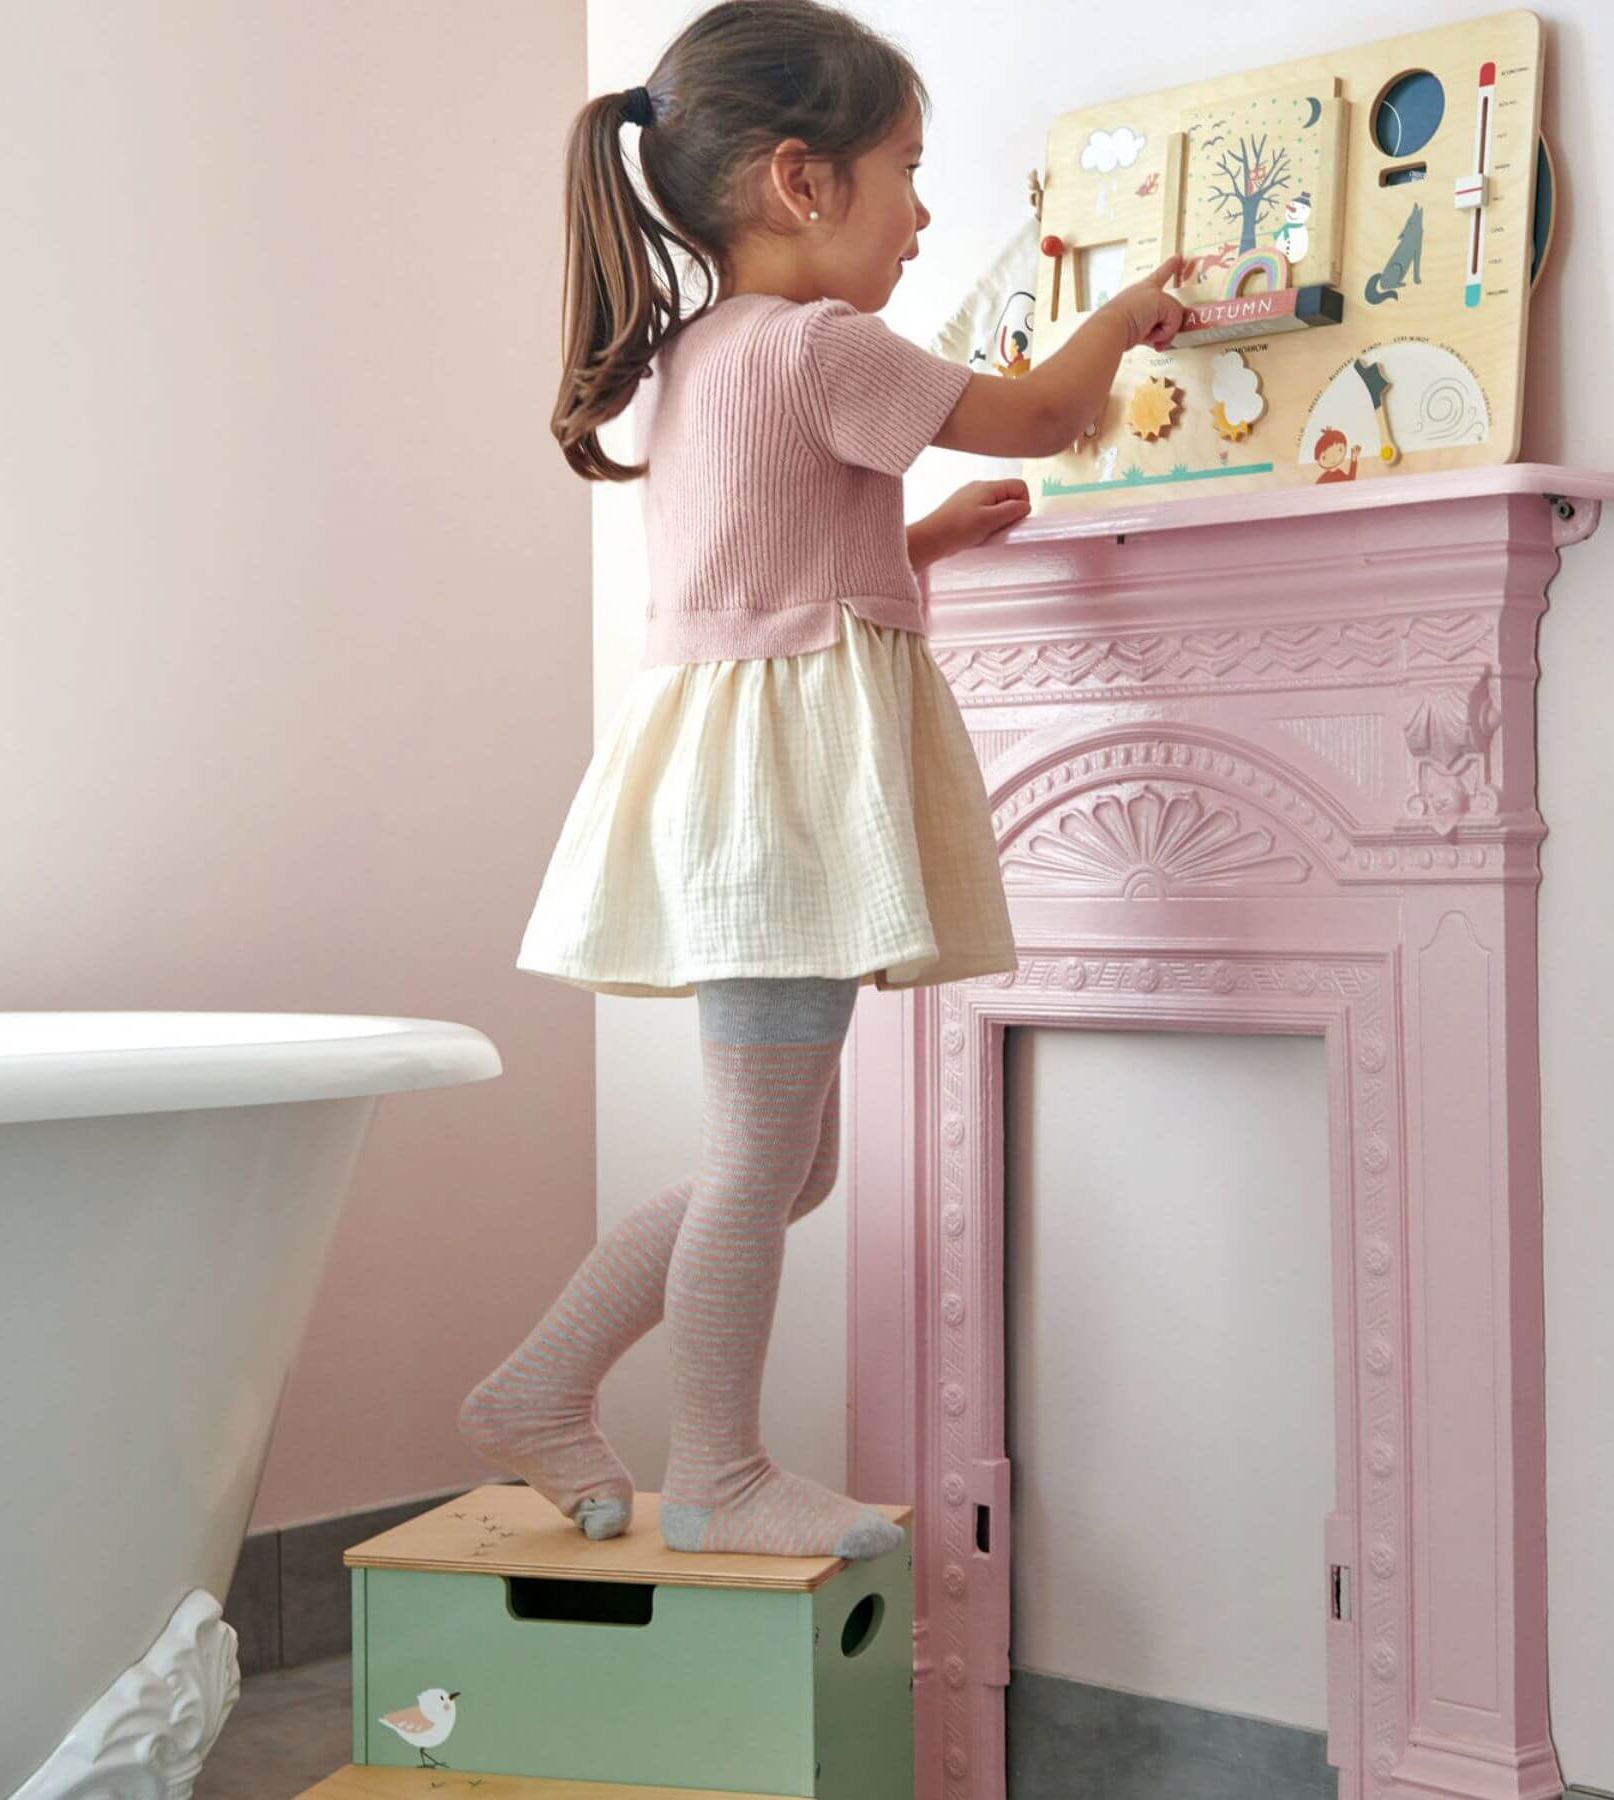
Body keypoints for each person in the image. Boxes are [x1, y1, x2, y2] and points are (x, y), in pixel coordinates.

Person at [459, 0, 1186, 1562]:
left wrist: (912, 545)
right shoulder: (824, 344)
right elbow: (1050, 418)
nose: (925, 216)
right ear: (803, 182)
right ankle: (715, 1468)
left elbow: (761, 573)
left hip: (735, 782)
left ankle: (538, 1384)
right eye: (908, 173)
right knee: (757, 1164)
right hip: (782, 799)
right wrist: (1124, 312)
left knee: (782, 1165)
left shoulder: (701, 354)